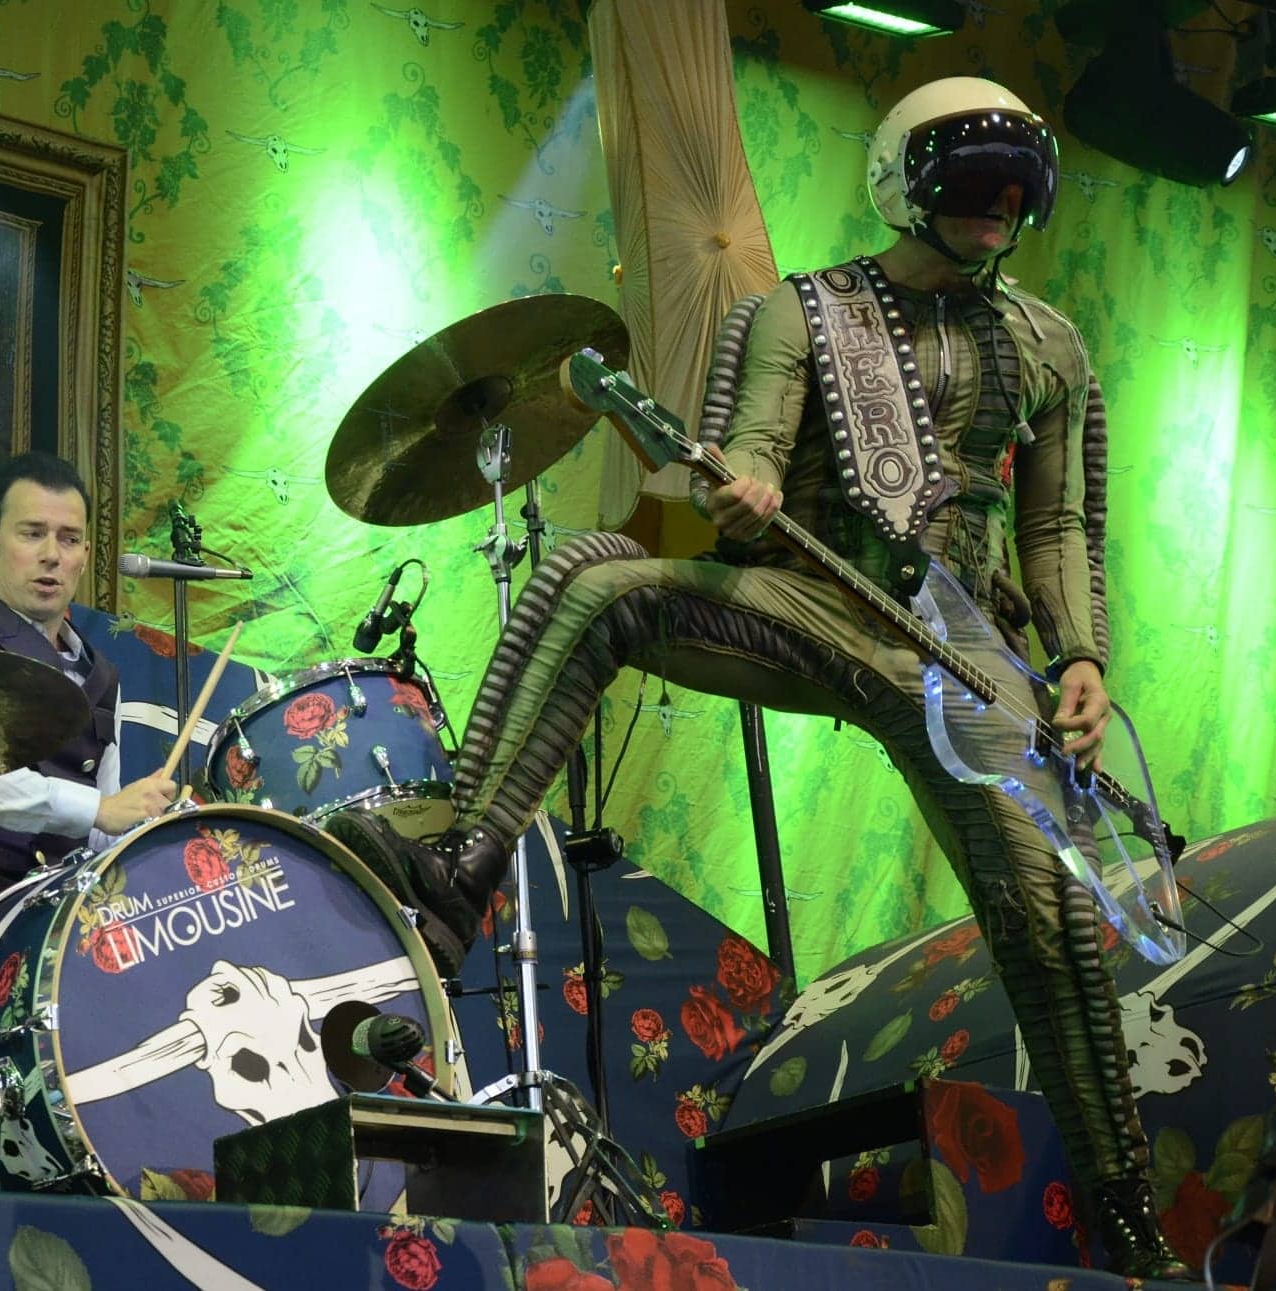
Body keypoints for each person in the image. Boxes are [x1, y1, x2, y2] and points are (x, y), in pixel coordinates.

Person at [325, 78, 1189, 1278]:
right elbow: (748, 467)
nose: (997, 207)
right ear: (906, 182)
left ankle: (1130, 1225)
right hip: (817, 605)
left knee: (1052, 927)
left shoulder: (1052, 344)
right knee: (595, 581)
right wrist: (744, 493)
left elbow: (1059, 525)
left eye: (1018, 190)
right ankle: (461, 872)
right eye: (972, 182)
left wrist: (1082, 655)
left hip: (971, 661)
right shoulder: (801, 315)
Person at [0, 452, 175, 893]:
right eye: (32, 534)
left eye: (69, 539)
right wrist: (98, 809)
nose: (51, 555)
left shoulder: (101, 676)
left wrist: (143, 826)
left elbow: (103, 827)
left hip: (51, 917)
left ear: (85, 556)